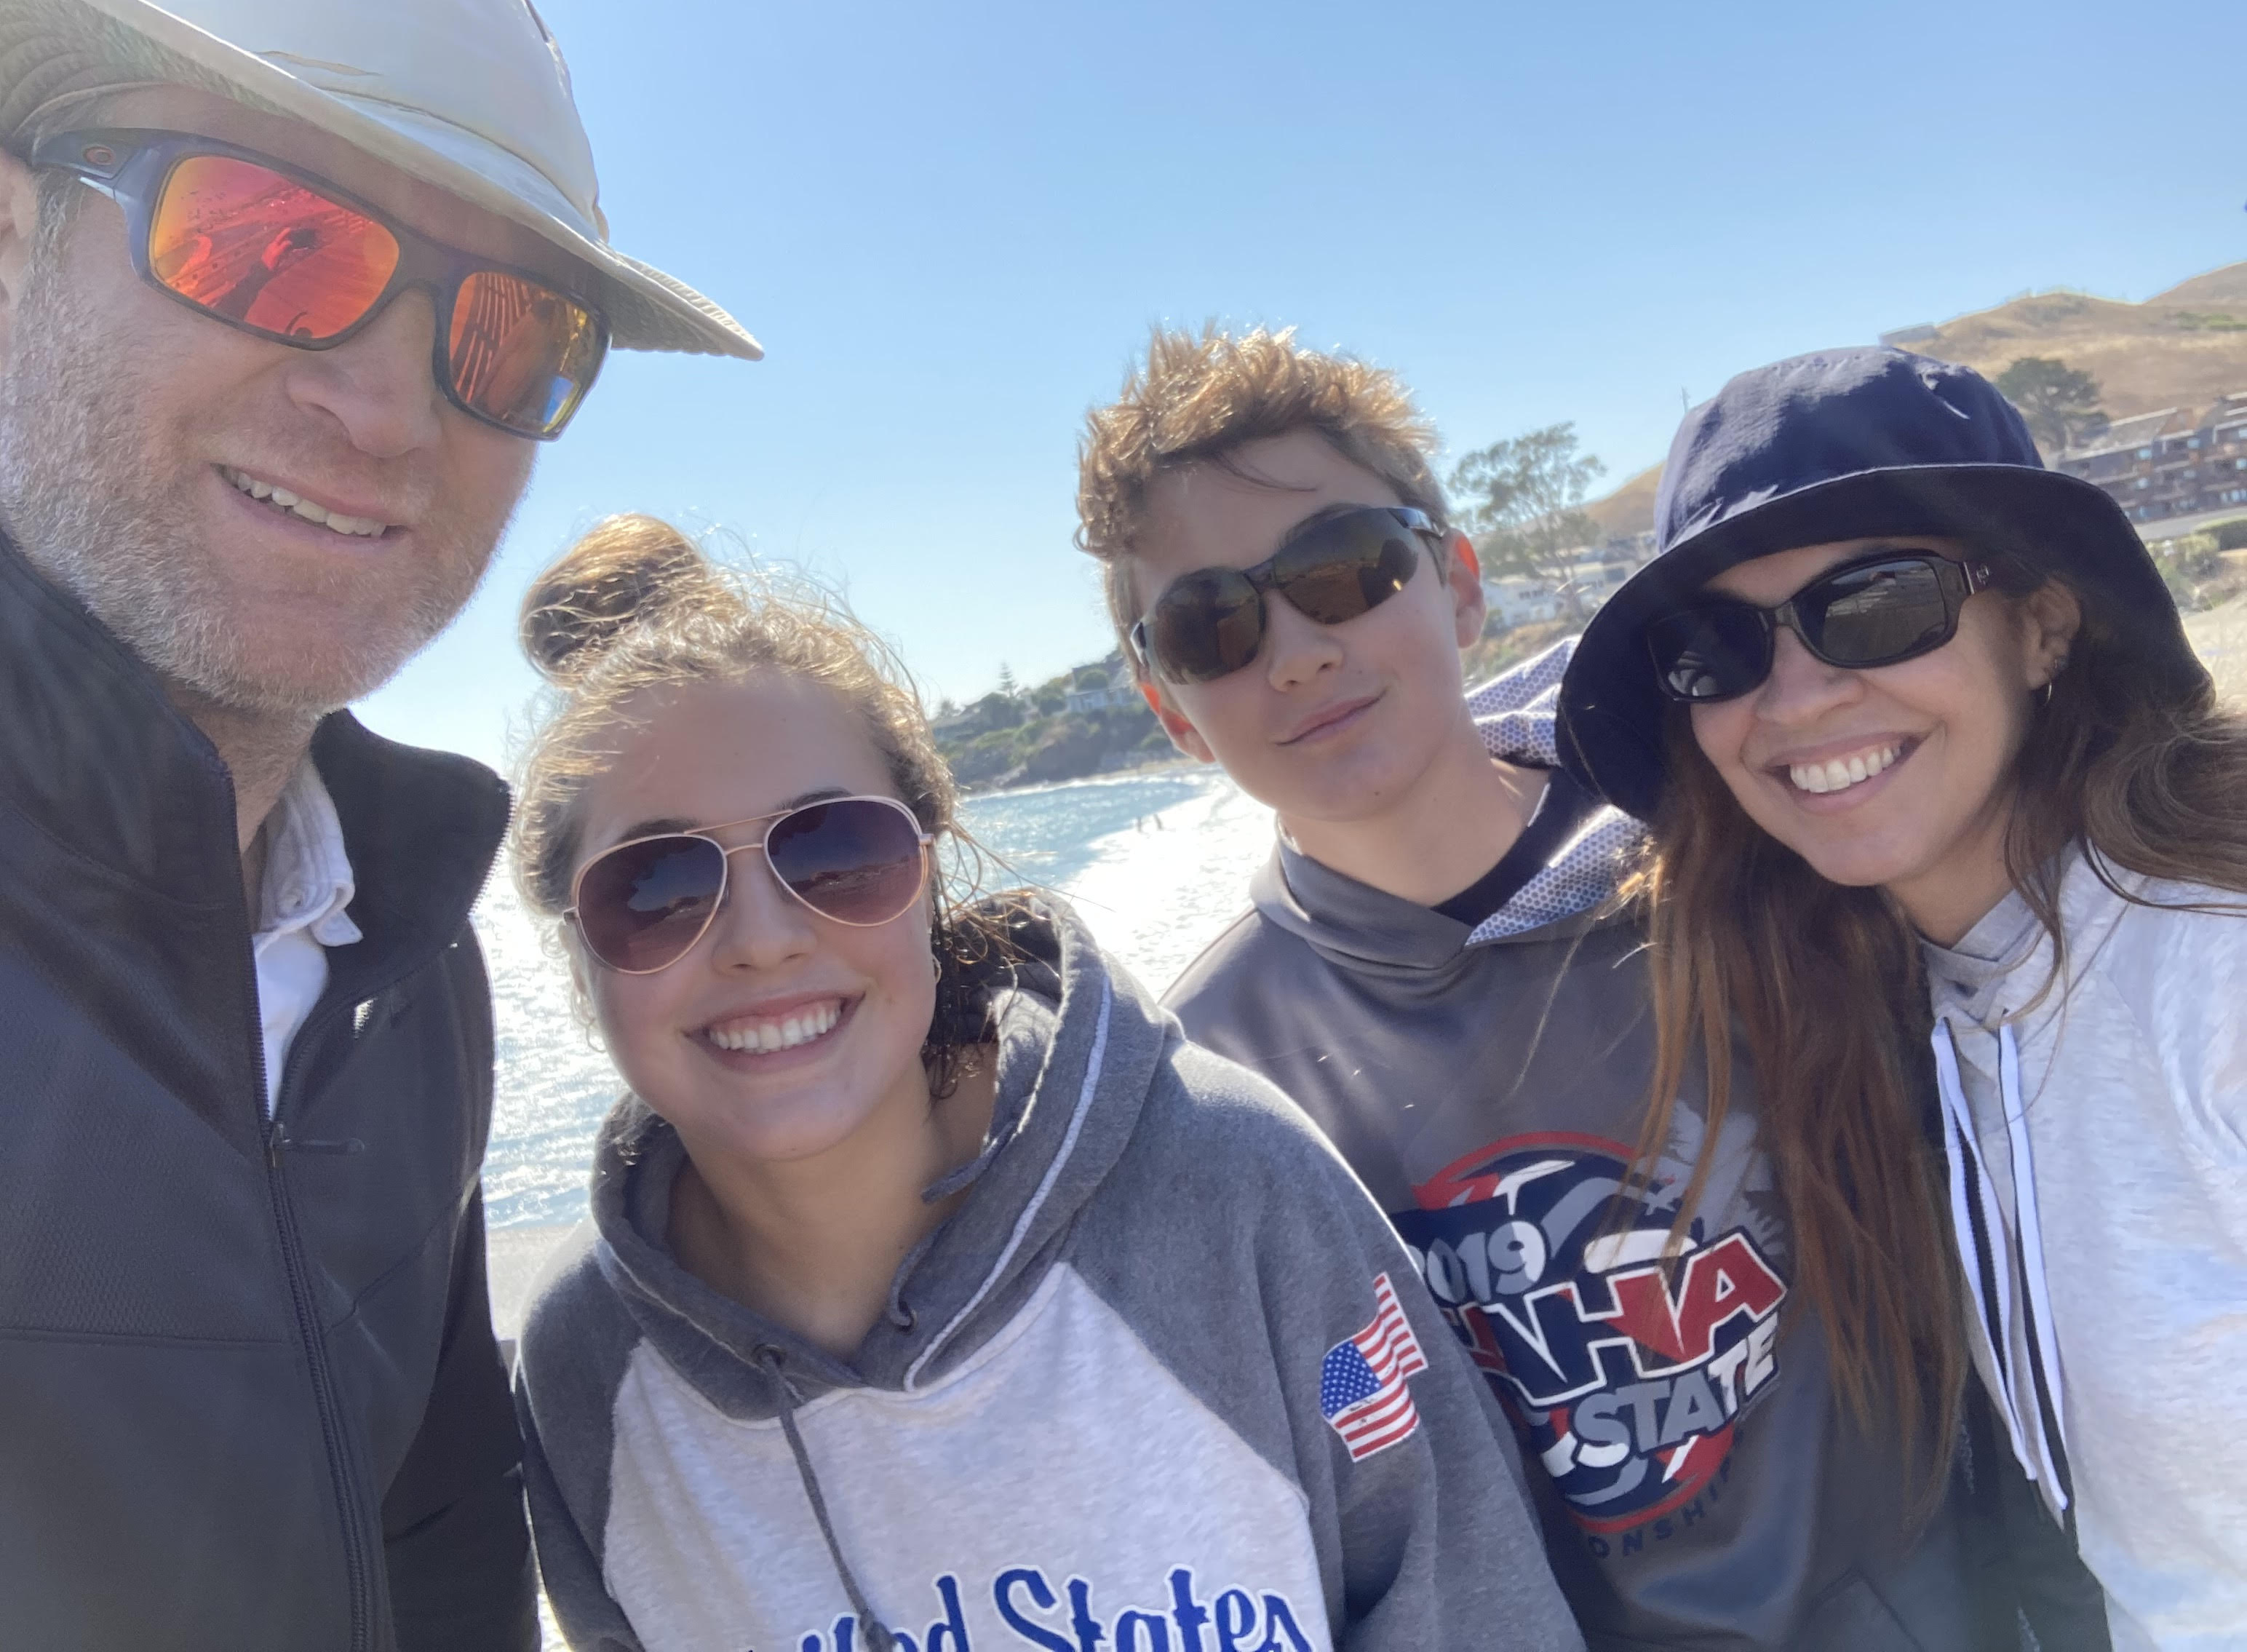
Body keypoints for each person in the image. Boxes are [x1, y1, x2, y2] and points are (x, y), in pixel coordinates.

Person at [0, 0, 757, 1645]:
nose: (390, 407)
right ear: (12, 247)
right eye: (268, 240)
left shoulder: (404, 963)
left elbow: (437, 1534)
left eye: (509, 333)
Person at [1073, 328, 2020, 1647]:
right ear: (1172, 707)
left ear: (1455, 584)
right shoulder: (1211, 1084)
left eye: (1343, 571)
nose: (1292, 651)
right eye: (1211, 623)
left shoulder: (1758, 857)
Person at [506, 514, 1584, 1652]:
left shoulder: (1229, 1198)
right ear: (575, 949)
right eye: (657, 888)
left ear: (928, 878)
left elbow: (1465, 1603)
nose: (762, 940)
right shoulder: (588, 1365)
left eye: (833, 853)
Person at [1556, 345, 2246, 1651]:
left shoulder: (2212, 966)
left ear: (2043, 627)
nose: (1799, 697)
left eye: (1875, 604)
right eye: (1716, 647)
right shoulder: (1905, 1009)